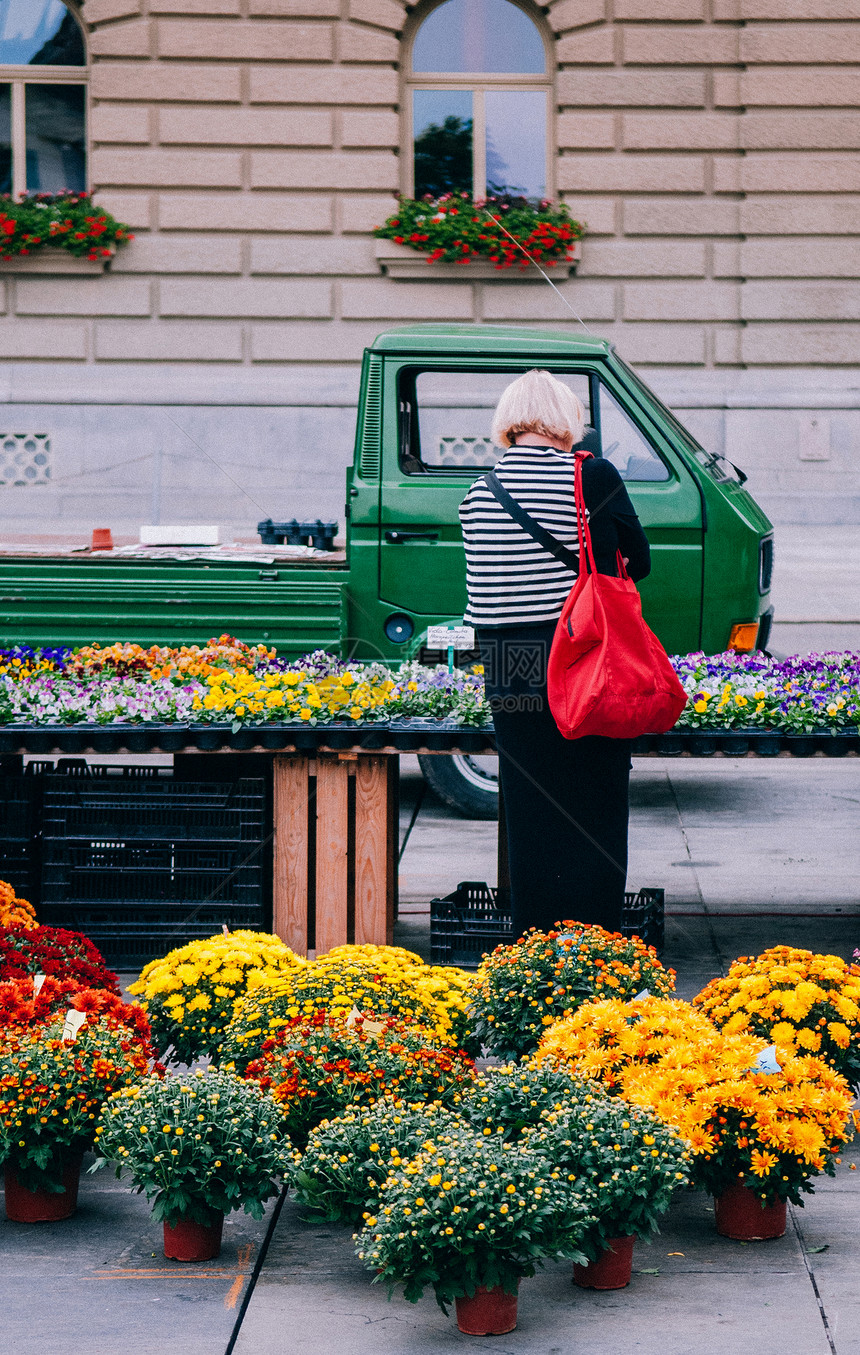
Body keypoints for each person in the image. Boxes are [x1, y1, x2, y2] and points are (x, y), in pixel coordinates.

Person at [459, 369, 651, 939]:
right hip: (580, 649)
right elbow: (634, 562)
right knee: (594, 795)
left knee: (531, 802)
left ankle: (534, 947)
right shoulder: (592, 476)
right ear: (567, 422)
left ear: (509, 423)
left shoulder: (477, 492)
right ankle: (597, 943)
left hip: (506, 658)